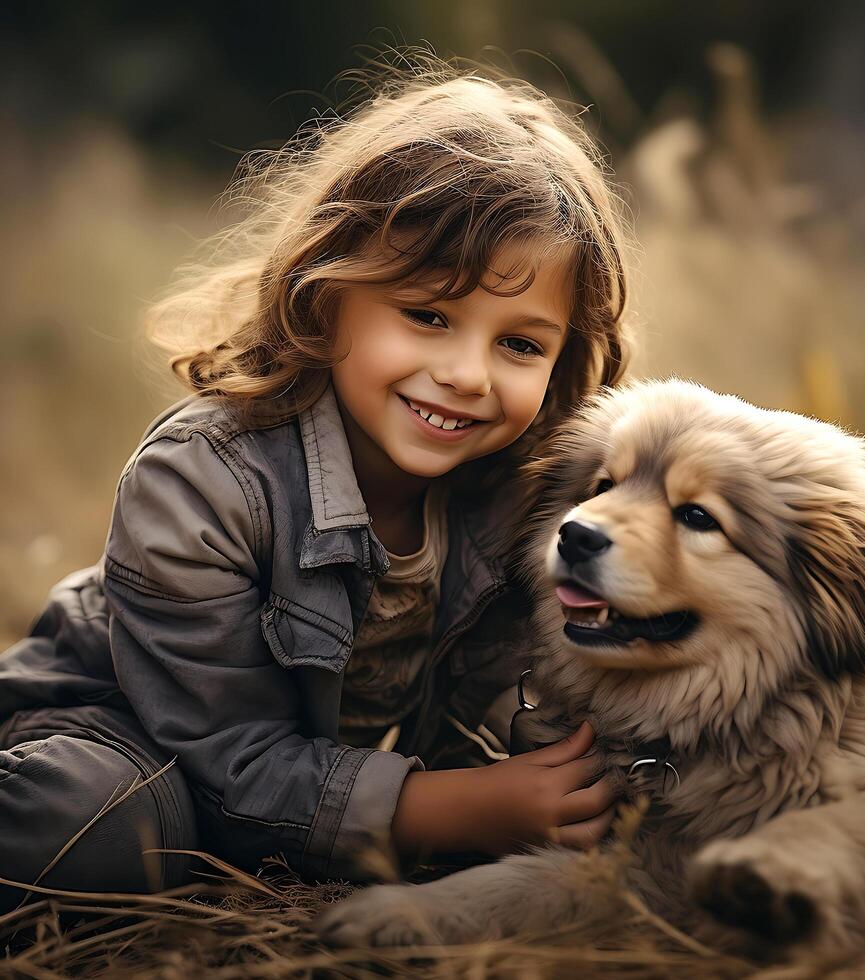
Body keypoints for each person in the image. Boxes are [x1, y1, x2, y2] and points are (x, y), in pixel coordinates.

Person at [0, 62, 634, 910]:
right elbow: (229, 761)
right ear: (327, 290)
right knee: (109, 827)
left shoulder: (517, 494)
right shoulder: (202, 482)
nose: (467, 374)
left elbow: (510, 695)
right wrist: (438, 809)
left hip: (300, 785)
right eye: (429, 315)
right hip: (110, 734)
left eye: (520, 345)